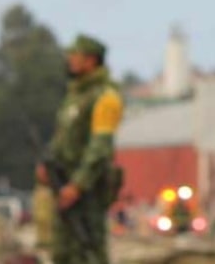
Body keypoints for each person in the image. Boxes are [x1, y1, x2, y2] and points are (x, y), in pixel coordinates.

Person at [38, 34, 124, 264]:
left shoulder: (106, 97)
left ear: (91, 60)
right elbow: (63, 137)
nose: (70, 60)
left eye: (75, 55)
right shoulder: (74, 96)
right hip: (63, 184)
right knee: (63, 252)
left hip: (88, 190)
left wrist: (78, 185)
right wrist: (48, 166)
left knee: (88, 250)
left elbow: (100, 146)